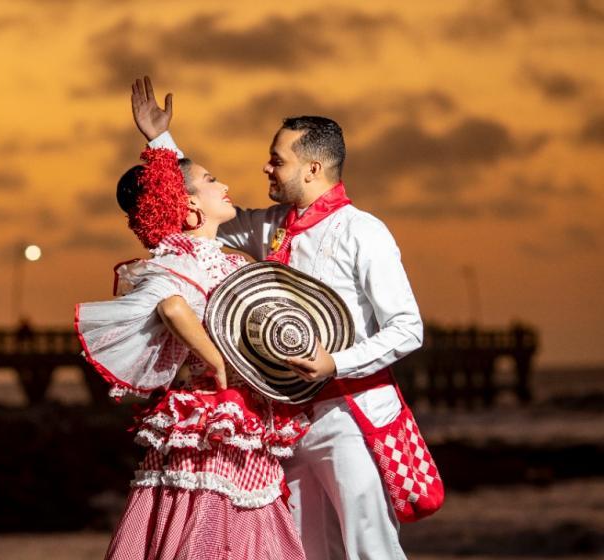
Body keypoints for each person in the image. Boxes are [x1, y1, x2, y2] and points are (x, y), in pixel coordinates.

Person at [131, 76, 425, 560]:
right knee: (303, 549)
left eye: (277, 160)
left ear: (312, 168)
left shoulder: (362, 231)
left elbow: (407, 327)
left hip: (349, 412)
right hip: (286, 421)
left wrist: (336, 362)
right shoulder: (269, 225)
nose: (265, 166)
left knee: (368, 547)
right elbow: (193, 212)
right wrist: (161, 142)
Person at [76, 145, 307, 559]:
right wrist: (216, 358)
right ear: (189, 206)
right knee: (212, 515)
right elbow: (170, 306)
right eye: (212, 180)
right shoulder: (179, 260)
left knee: (229, 513)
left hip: (234, 409)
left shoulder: (217, 258)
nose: (225, 186)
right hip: (213, 411)